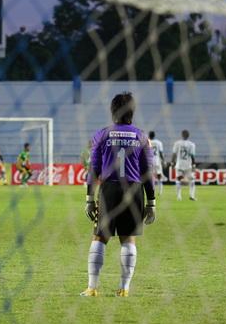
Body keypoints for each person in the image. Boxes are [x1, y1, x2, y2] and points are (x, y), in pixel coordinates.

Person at [81, 92, 155, 298]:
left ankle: (92, 288)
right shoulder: (141, 137)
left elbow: (93, 169)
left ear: (112, 111)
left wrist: (89, 198)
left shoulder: (102, 135)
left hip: (109, 190)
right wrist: (152, 202)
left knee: (100, 237)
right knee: (128, 239)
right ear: (132, 112)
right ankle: (124, 289)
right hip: (134, 191)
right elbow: (147, 172)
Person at [171, 130, 197, 201]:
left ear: (182, 135)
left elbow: (174, 154)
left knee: (178, 180)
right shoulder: (191, 144)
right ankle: (192, 196)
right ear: (188, 136)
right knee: (192, 180)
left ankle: (179, 196)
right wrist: (194, 164)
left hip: (179, 165)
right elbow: (192, 156)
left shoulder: (177, 143)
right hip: (188, 165)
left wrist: (172, 163)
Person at [148, 131, 165, 196]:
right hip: (157, 161)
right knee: (159, 176)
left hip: (149, 161)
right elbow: (161, 153)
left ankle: (152, 191)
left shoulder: (147, 141)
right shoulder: (159, 143)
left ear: (149, 135)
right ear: (154, 135)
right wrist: (163, 161)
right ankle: (160, 192)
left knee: (151, 177)